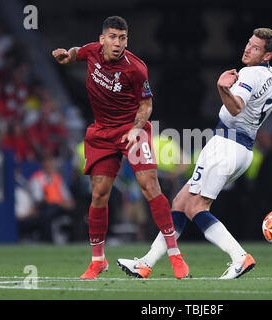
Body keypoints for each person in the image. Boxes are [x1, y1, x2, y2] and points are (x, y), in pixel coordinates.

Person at [117, 28, 272, 279]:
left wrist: (222, 88)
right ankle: (146, 263)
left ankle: (239, 257)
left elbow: (235, 108)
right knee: (180, 202)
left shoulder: (250, 74)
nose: (247, 48)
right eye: (248, 43)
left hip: (225, 144)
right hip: (242, 149)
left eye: (255, 48)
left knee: (196, 207)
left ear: (266, 55)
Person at [52, 16, 188, 279]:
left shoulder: (136, 68)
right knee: (99, 195)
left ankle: (175, 254)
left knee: (150, 186)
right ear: (102, 39)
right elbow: (74, 54)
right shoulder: (92, 51)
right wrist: (64, 56)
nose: (117, 43)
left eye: (122, 38)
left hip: (132, 130)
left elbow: (146, 105)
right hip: (102, 133)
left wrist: (136, 128)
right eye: (113, 37)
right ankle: (97, 260)